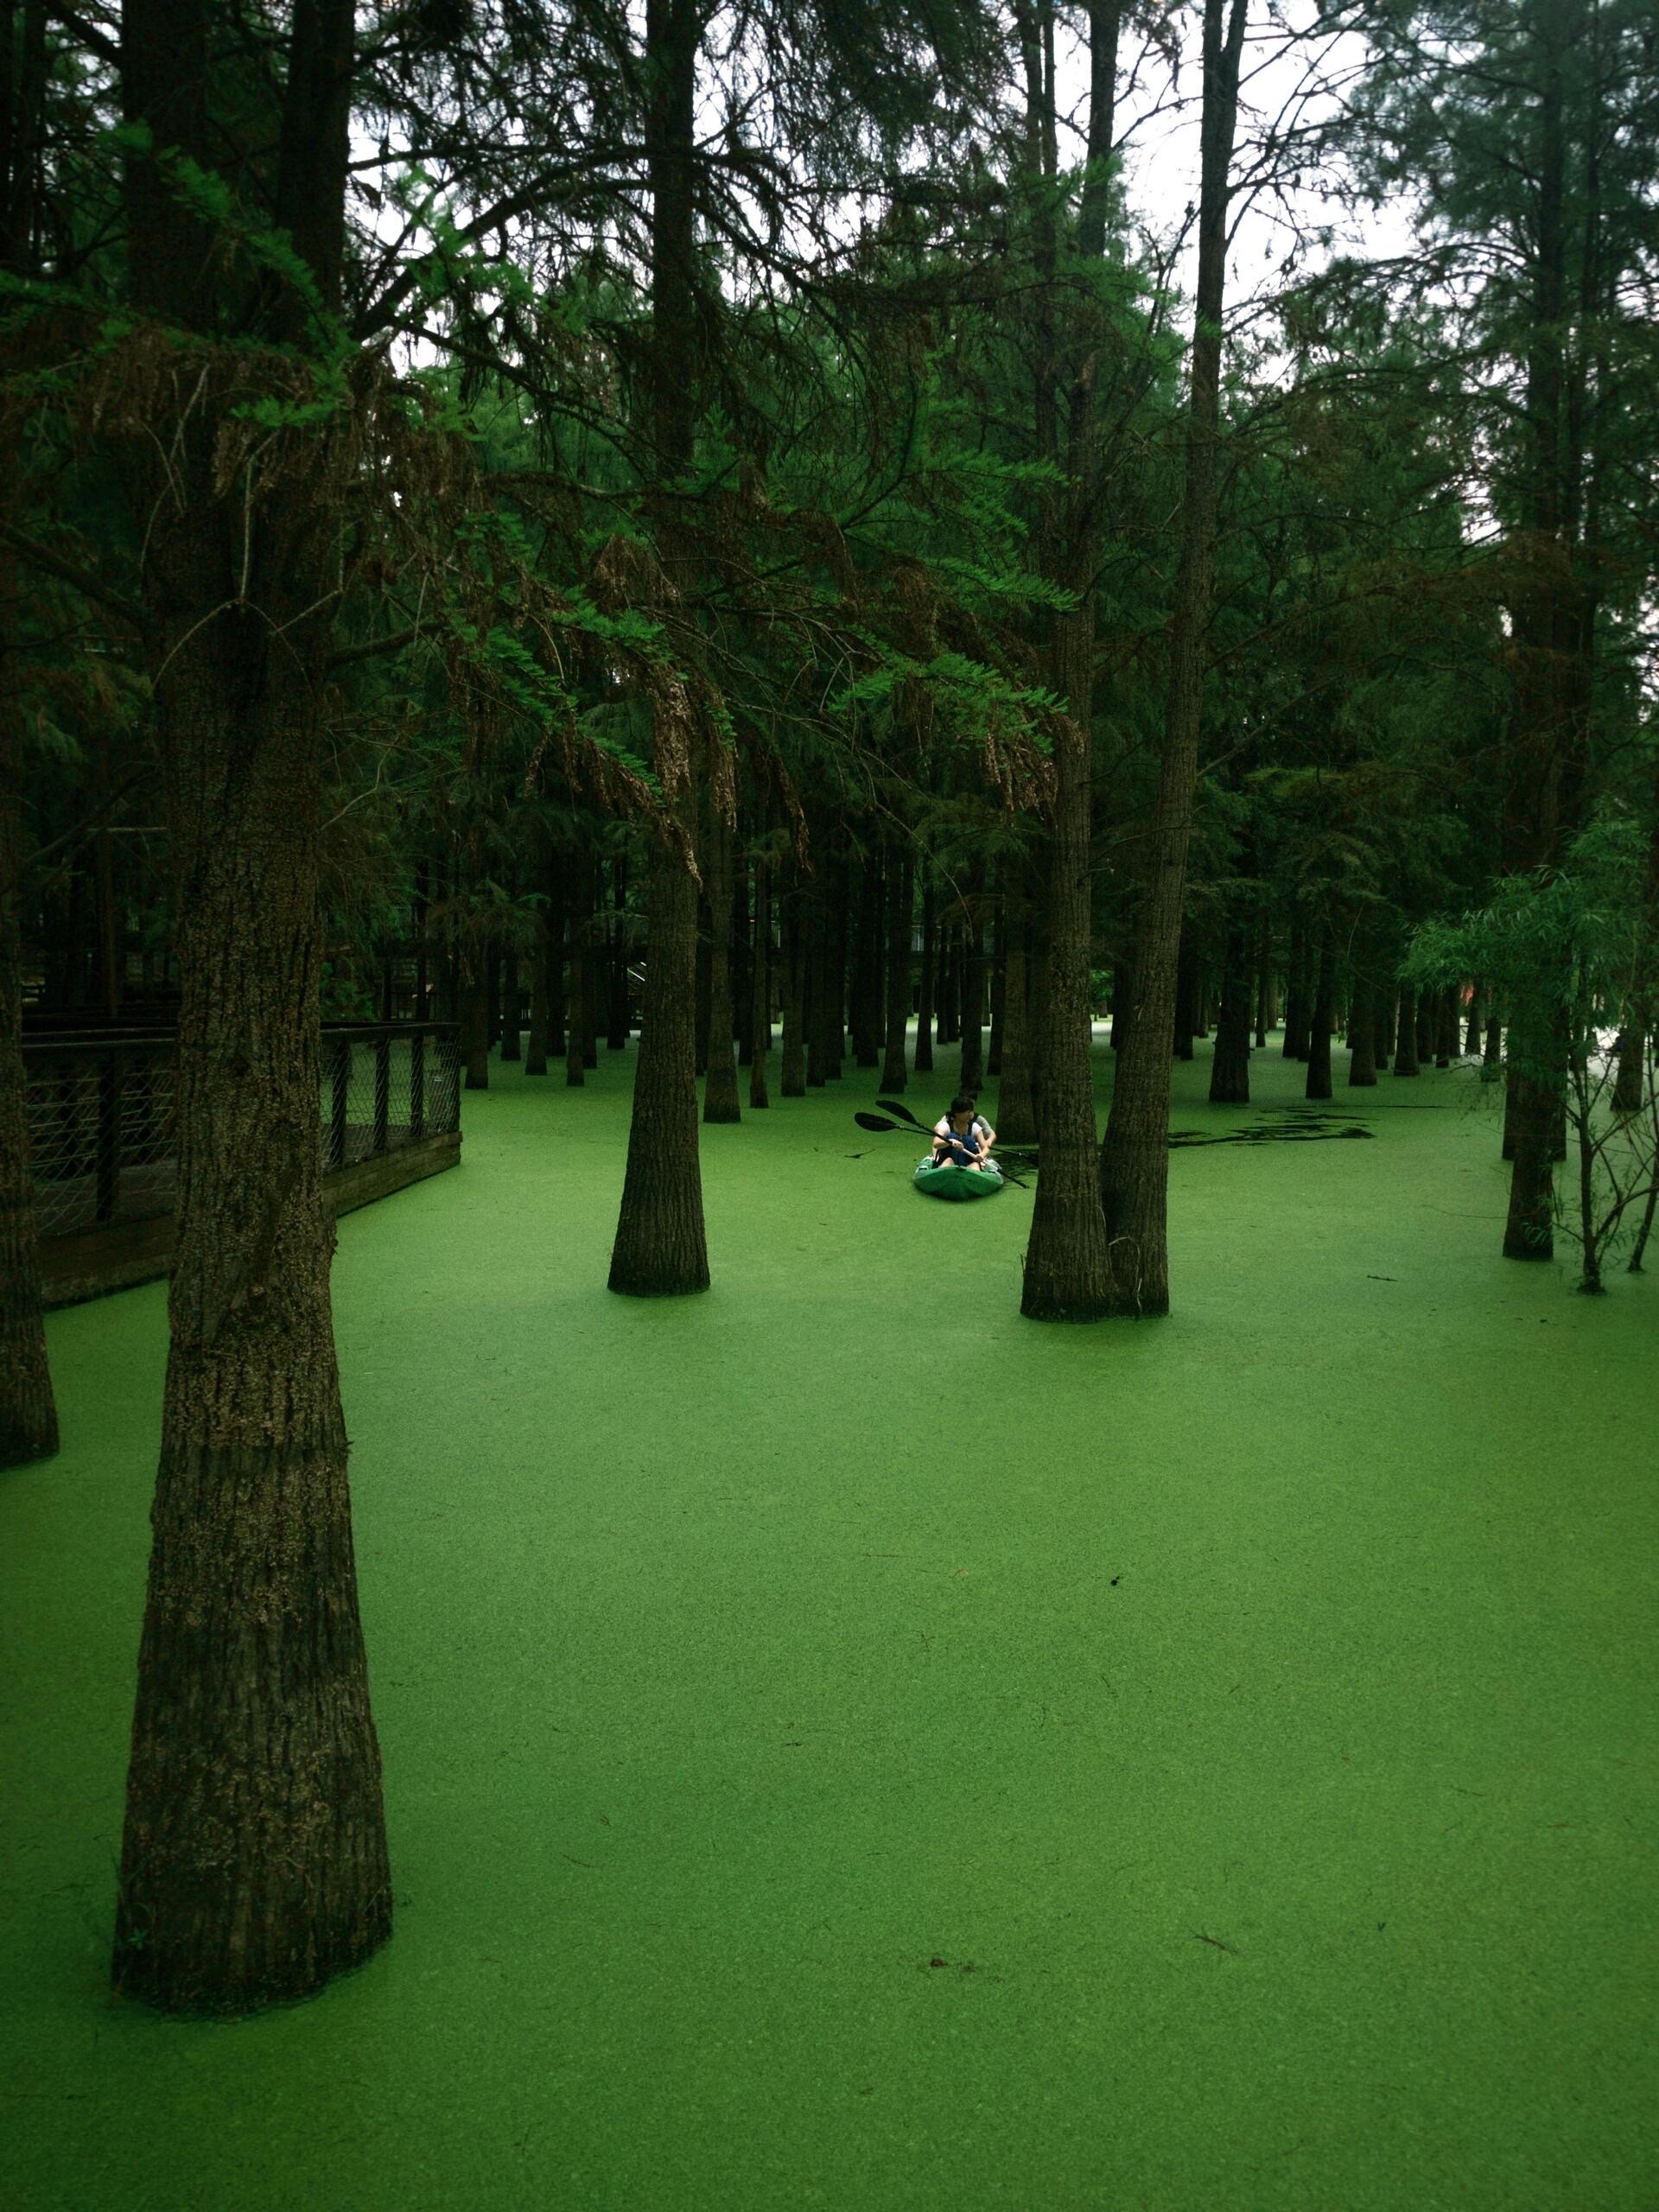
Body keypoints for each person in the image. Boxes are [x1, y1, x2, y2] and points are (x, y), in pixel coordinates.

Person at [931, 1094, 997, 1173]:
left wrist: (982, 1155)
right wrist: (951, 1142)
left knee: (975, 1164)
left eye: (971, 1111)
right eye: (967, 1112)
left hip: (970, 1164)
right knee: (948, 1160)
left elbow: (985, 1148)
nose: (970, 1115)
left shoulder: (975, 1127)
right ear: (957, 1113)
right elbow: (936, 1143)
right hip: (950, 1162)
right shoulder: (945, 1126)